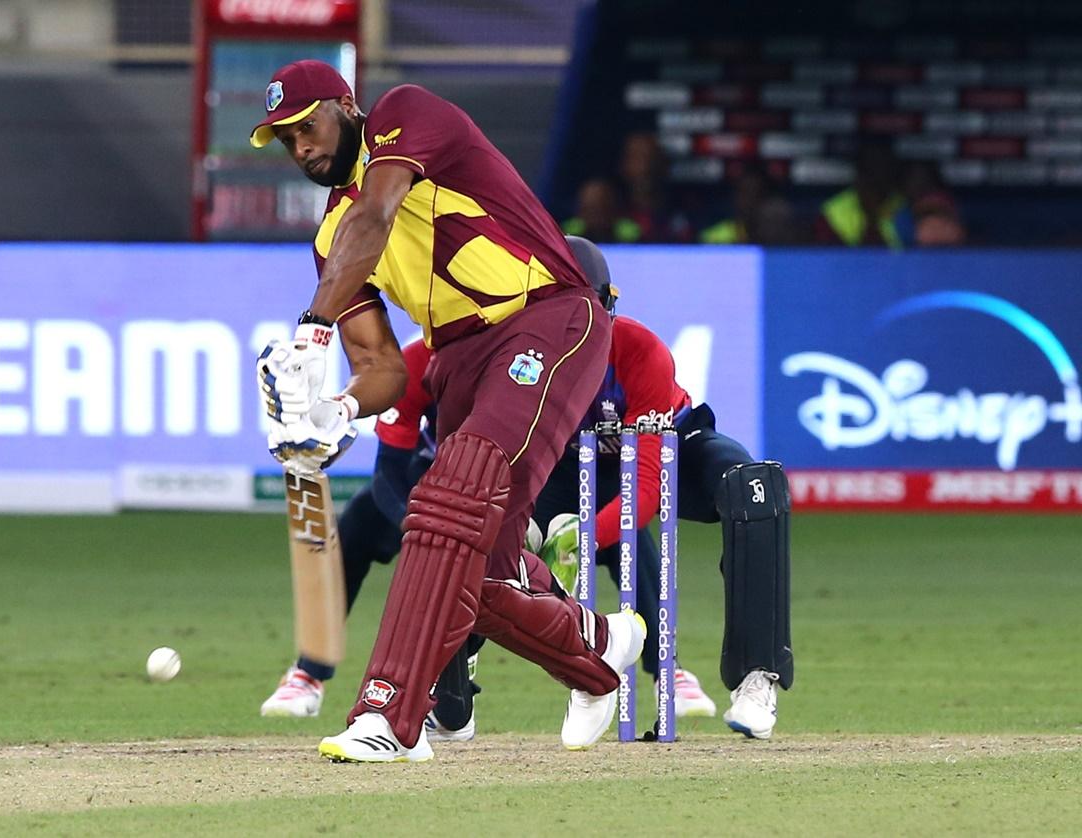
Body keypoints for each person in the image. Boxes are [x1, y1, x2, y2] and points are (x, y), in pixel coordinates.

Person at [249, 60, 645, 763]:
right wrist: (336, 411)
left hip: (544, 318)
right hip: (456, 361)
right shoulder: (330, 241)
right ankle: (600, 649)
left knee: (443, 505)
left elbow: (378, 212)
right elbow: (381, 369)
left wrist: (311, 328)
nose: (302, 148)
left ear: (345, 107)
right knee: (481, 567)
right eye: (285, 140)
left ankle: (388, 714)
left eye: (308, 127)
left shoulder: (406, 115)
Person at [534, 236, 794, 739]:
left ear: (610, 305)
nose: (579, 332)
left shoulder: (640, 351)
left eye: (589, 313)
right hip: (569, 466)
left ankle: (756, 677)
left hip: (672, 449)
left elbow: (647, 487)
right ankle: (447, 699)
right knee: (485, 529)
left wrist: (583, 537)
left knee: (754, 494)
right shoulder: (528, 358)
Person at [259, 338, 483, 742]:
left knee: (481, 569)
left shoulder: (515, 361)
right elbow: (389, 472)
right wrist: (415, 528)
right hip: (430, 481)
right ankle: (308, 673)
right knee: (358, 524)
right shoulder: (418, 360)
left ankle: (458, 676)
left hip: (495, 490)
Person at [814, 139, 905, 249]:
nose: (877, 177)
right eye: (870, 171)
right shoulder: (834, 211)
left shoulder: (902, 206)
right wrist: (870, 217)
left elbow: (911, 256)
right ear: (860, 175)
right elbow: (834, 260)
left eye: (883, 168)